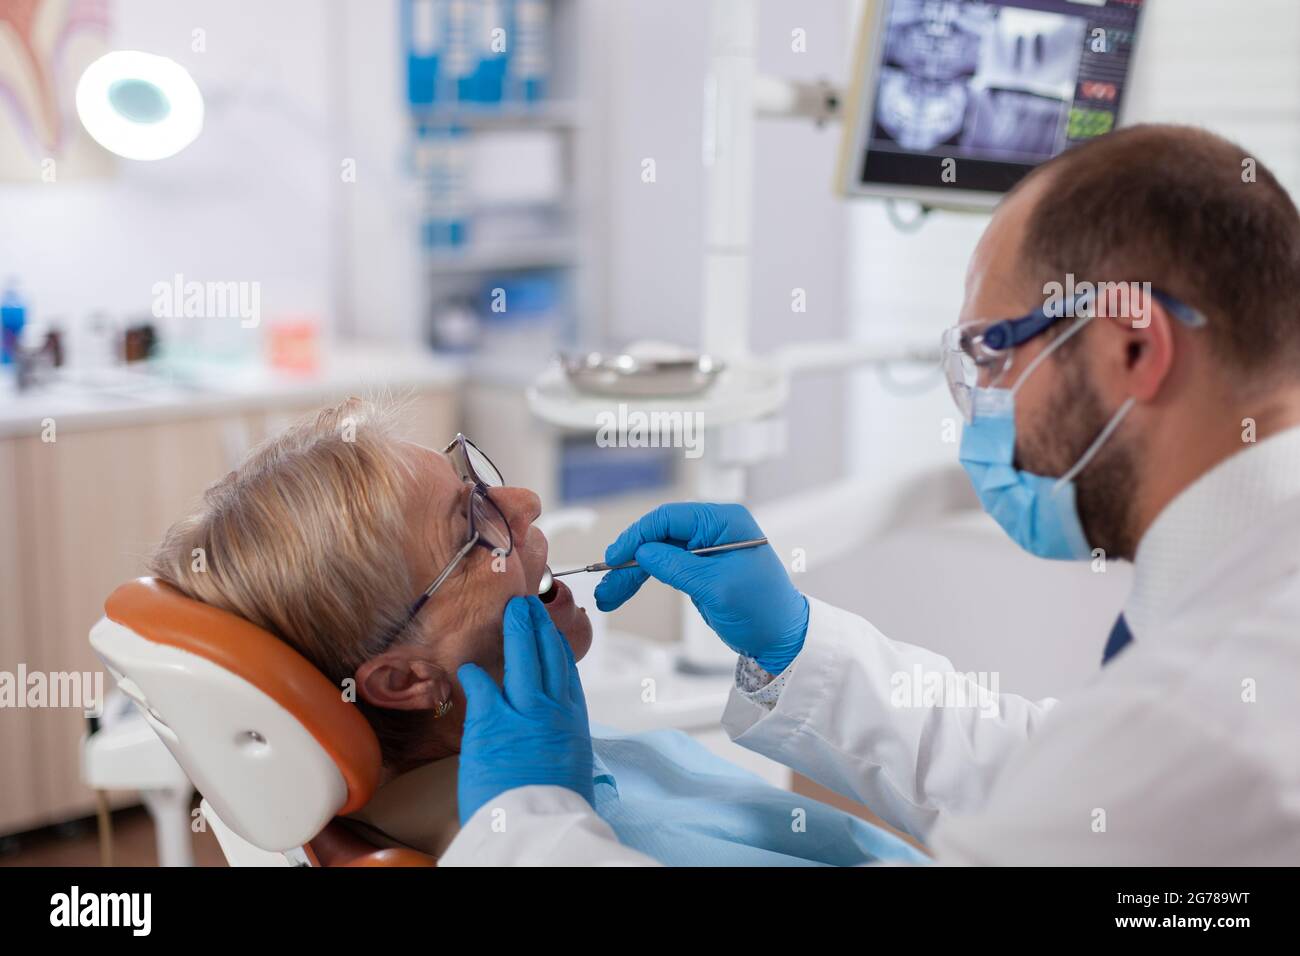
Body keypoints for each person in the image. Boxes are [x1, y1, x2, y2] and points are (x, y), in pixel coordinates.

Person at [442, 123, 1300, 866]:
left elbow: (1111, 793)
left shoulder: (1215, 710)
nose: (978, 404)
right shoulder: (1230, 621)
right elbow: (1073, 782)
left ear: (1132, 353)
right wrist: (799, 646)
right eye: (464, 518)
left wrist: (527, 836)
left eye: (993, 357)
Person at [148, 398, 925, 866]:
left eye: (477, 480)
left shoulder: (557, 794)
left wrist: (793, 647)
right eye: (473, 520)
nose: (524, 502)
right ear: (403, 679)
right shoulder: (598, 836)